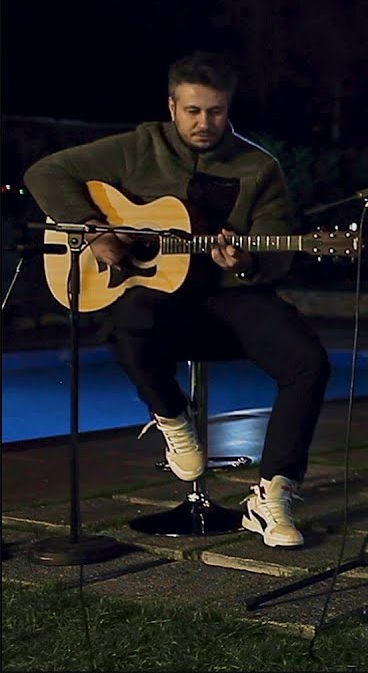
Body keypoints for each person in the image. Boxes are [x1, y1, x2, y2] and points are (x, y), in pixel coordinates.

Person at [24, 51, 331, 548]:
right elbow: (44, 174)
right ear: (172, 106)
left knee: (308, 361)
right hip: (158, 302)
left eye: (215, 112)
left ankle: (272, 492)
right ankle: (172, 417)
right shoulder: (138, 147)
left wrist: (245, 261)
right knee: (124, 319)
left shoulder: (259, 167)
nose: (204, 123)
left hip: (229, 298)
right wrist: (98, 230)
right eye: (192, 111)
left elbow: (276, 249)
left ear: (229, 109)